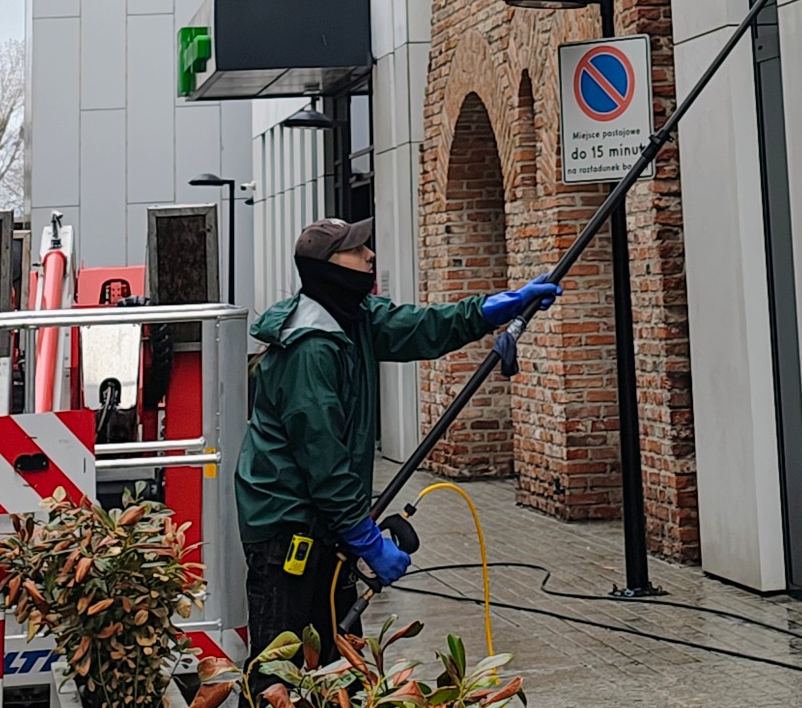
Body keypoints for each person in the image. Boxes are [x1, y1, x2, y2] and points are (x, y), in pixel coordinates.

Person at [235, 216, 560, 695]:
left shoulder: (353, 317)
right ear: (327, 268)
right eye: (356, 251)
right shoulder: (309, 349)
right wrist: (364, 537)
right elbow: (323, 460)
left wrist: (490, 310)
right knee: (277, 671)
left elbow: (421, 327)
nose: (369, 257)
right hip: (288, 530)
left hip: (324, 523)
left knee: (338, 662)